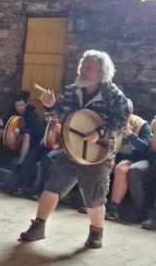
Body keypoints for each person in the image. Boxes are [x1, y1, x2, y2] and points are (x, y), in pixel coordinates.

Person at [19, 50, 129, 249]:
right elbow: (60, 114)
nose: (83, 70)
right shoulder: (71, 90)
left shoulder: (114, 95)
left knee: (95, 198)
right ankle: (38, 227)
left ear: (102, 71)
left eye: (89, 67)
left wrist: (99, 133)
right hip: (70, 149)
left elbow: (121, 122)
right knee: (52, 188)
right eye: (82, 65)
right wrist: (50, 106)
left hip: (98, 154)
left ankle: (96, 233)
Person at [105, 100, 152, 220]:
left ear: (131, 112)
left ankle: (113, 208)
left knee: (121, 168)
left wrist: (131, 136)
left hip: (136, 158)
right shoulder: (114, 122)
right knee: (101, 164)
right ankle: (93, 202)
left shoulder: (142, 125)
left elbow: (147, 150)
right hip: (116, 156)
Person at [0, 92, 42, 168]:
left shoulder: (32, 114)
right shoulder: (13, 111)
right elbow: (7, 122)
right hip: (12, 135)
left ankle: (20, 163)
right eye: (17, 105)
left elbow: (34, 130)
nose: (19, 107)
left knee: (27, 136)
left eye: (21, 105)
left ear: (26, 104)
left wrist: (21, 131)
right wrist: (0, 121)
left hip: (26, 137)